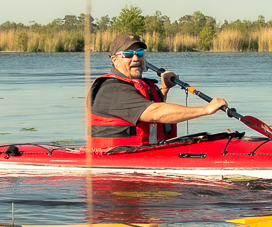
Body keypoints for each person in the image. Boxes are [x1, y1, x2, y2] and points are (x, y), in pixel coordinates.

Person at [86, 34, 228, 149]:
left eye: (139, 53)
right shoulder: (111, 90)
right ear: (114, 60)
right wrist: (206, 110)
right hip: (116, 157)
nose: (135, 58)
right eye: (128, 54)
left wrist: (164, 89)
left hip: (147, 152)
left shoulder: (134, 86)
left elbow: (148, 111)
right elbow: (154, 112)